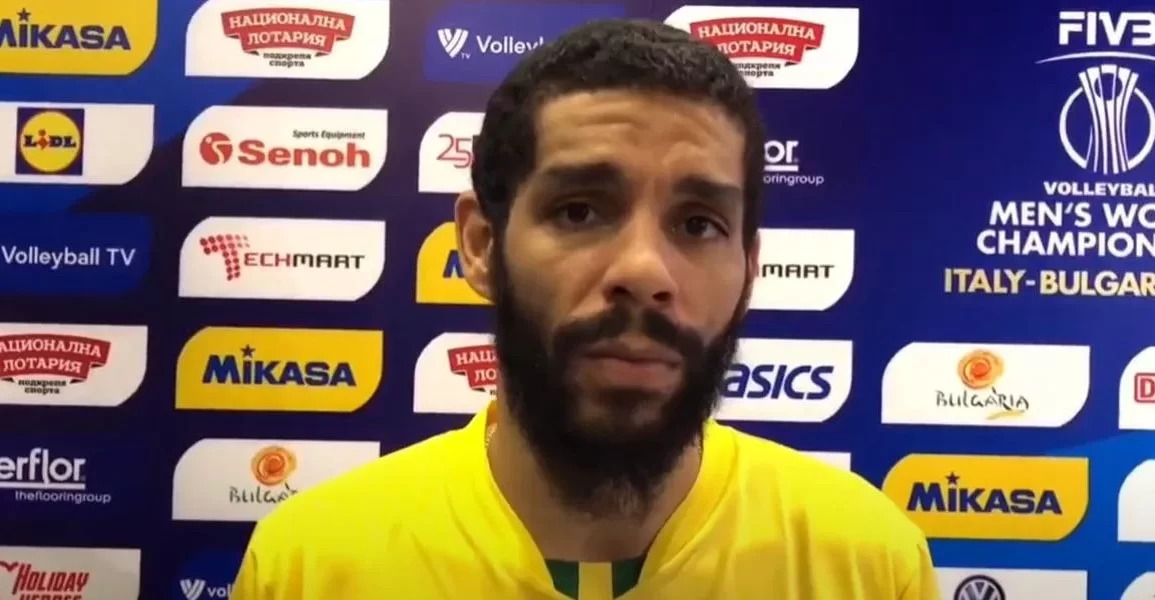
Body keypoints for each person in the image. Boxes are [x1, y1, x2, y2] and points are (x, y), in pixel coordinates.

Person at [231, 19, 939, 600]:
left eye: (698, 224)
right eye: (579, 211)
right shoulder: (310, 566)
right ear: (481, 245)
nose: (644, 271)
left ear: (749, 270)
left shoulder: (868, 565)